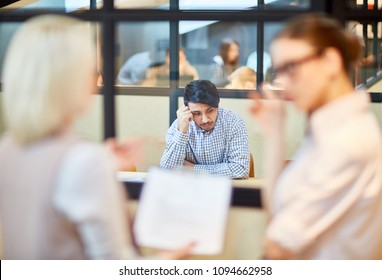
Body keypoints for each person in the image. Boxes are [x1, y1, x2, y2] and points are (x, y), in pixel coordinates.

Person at [0, 15, 193, 260]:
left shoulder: (7, 149)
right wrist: (172, 257)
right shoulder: (82, 162)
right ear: (69, 80)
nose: (96, 79)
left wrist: (102, 163)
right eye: (91, 70)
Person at [249, 14, 382, 259]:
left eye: (291, 68)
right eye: (278, 70)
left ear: (330, 61)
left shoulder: (345, 142)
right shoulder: (328, 127)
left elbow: (276, 249)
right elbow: (280, 222)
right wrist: (274, 134)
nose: (282, 82)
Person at [160, 80, 250, 179]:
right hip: (189, 190)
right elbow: (167, 171)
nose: (205, 119)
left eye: (210, 111)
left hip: (224, 191)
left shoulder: (234, 122)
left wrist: (192, 169)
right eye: (197, 113)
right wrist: (182, 132)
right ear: (187, 109)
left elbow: (241, 169)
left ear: (218, 104)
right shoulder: (179, 125)